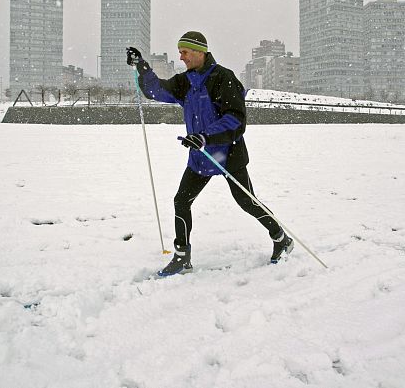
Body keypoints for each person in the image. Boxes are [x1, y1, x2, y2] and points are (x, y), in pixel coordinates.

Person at [126, 31, 294, 276]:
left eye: (185, 52)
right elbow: (157, 91)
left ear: (199, 52)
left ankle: (281, 239)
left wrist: (205, 136)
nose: (181, 57)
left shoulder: (223, 78)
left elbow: (235, 118)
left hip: (228, 153)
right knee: (181, 201)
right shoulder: (184, 82)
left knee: (246, 201)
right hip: (200, 156)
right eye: (180, 52)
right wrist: (142, 67)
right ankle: (182, 258)